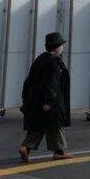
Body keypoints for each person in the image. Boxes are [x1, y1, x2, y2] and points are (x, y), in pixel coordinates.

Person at [19, 31, 73, 163]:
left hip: (36, 99)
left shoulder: (41, 59)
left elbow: (29, 81)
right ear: (57, 47)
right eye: (61, 45)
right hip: (50, 100)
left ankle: (27, 148)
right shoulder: (54, 62)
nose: (62, 48)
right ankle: (58, 152)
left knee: (41, 125)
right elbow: (53, 82)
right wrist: (49, 101)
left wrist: (26, 98)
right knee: (55, 123)